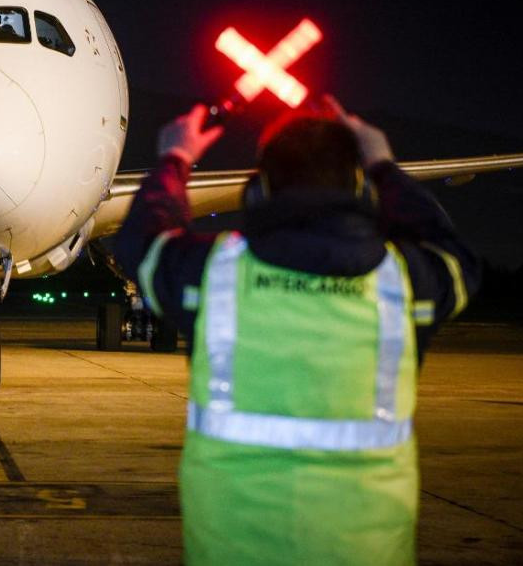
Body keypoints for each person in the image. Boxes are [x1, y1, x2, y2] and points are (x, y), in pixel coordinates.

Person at [115, 97, 479, 565]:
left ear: (260, 188)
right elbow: (456, 256)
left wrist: (175, 158)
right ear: (359, 184)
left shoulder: (214, 274)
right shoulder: (403, 283)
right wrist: (384, 165)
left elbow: (140, 240)